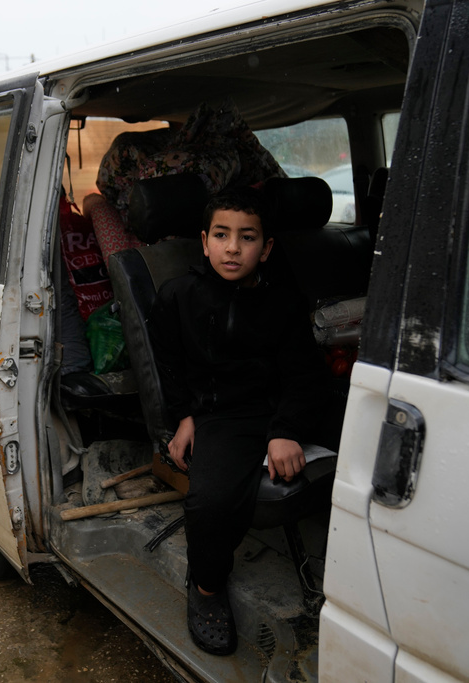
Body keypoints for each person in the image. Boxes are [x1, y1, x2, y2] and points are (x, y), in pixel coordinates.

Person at [149, 187, 329, 656]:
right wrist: (185, 417)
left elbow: (304, 374)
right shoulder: (178, 297)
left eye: (247, 238)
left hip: (274, 408)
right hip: (221, 416)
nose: (233, 248)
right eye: (222, 235)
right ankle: (206, 586)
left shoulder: (285, 303)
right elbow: (167, 365)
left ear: (265, 248)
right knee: (209, 502)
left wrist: (285, 430)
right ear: (204, 241)